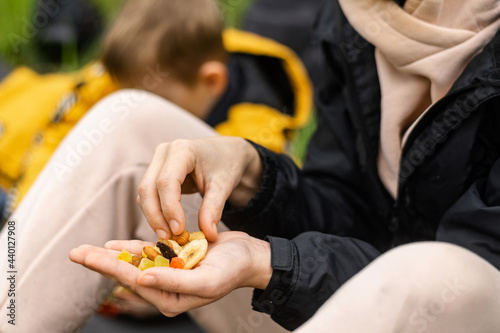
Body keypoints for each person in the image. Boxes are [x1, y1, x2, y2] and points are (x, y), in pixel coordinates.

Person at [71, 0, 500, 331]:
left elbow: (477, 260)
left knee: (435, 269)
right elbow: (346, 208)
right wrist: (250, 169)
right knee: (130, 116)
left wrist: (269, 263)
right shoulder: (358, 15)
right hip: (330, 304)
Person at [0, 0, 314, 332]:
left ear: (211, 81)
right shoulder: (136, 69)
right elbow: (66, 127)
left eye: (156, 97)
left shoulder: (255, 126)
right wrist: (33, 206)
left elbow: (271, 212)